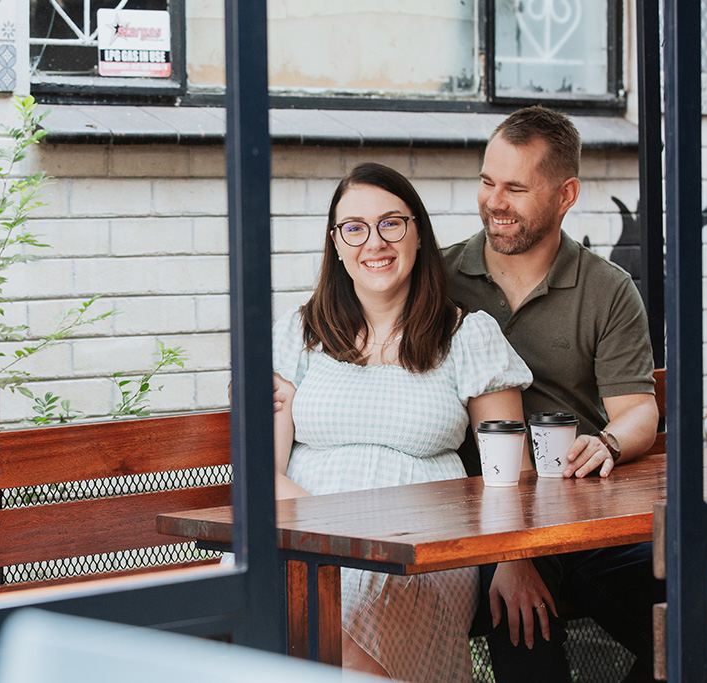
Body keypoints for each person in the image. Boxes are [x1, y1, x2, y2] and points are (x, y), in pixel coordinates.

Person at [272, 162, 533, 681]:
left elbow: (513, 472)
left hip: (423, 549)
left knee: (352, 595)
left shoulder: (466, 336)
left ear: (418, 234)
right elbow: (263, 470)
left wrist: (514, 561)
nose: (375, 242)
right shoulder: (299, 334)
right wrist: (341, 530)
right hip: (305, 536)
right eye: (355, 228)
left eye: (392, 223)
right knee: (292, 585)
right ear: (337, 244)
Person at [442, 105, 662, 682]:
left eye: (516, 187)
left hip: (584, 517)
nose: (495, 201)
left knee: (688, 611)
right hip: (485, 522)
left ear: (566, 194)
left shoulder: (607, 289)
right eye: (488, 181)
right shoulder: (438, 281)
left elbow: (638, 409)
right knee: (520, 624)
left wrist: (610, 444)